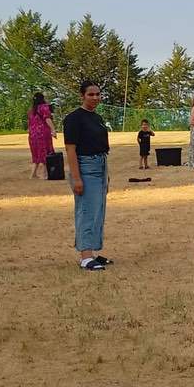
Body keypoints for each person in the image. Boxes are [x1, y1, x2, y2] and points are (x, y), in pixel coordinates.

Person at [63, 81, 112, 271]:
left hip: (100, 164)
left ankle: (93, 252)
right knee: (87, 211)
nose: (95, 98)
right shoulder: (74, 119)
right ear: (82, 95)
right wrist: (76, 177)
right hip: (86, 166)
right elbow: (70, 149)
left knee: (98, 211)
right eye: (91, 94)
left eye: (98, 94)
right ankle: (85, 256)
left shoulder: (97, 118)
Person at [27, 92, 57, 178]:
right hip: (43, 133)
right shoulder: (44, 107)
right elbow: (47, 119)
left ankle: (33, 174)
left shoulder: (31, 110)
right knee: (46, 152)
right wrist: (53, 130)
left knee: (35, 154)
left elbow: (30, 123)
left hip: (32, 134)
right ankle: (45, 174)